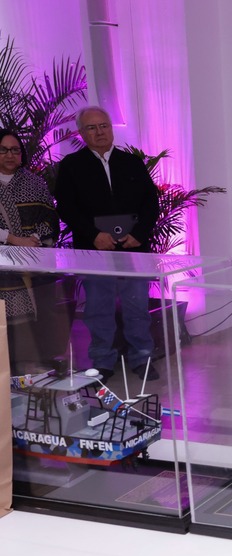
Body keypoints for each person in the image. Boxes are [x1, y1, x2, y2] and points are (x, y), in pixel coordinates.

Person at [55, 106, 160, 382]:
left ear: (111, 128)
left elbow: (151, 202)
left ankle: (142, 358)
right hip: (94, 252)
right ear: (81, 132)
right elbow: (66, 207)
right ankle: (102, 362)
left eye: (104, 126)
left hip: (134, 250)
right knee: (98, 309)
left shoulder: (131, 162)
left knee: (137, 307)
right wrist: (93, 235)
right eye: (92, 127)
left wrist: (139, 233)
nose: (99, 132)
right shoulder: (72, 166)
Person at [0, 128, 61, 371]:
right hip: (3, 264)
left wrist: (34, 238)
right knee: (4, 320)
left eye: (15, 150)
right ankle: (7, 369)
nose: (10, 155)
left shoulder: (35, 182)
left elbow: (50, 217)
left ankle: (37, 364)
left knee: (40, 316)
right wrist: (12, 239)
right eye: (3, 150)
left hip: (34, 262)